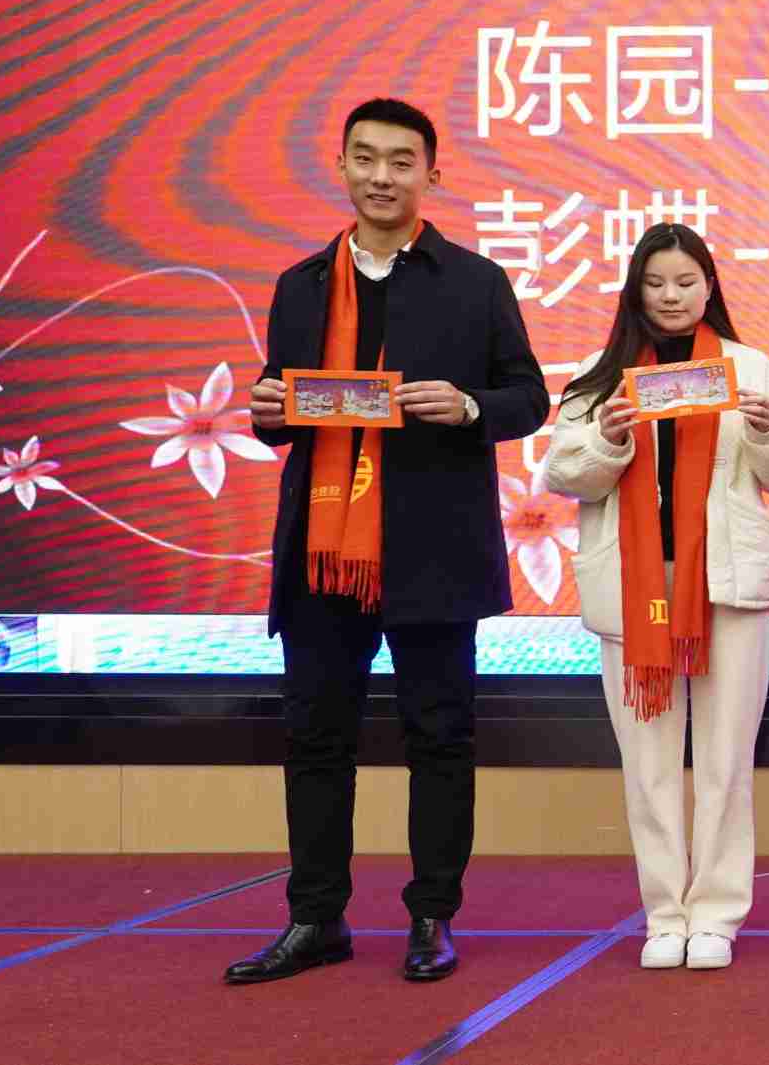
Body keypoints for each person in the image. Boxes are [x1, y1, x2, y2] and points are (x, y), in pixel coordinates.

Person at [225, 99, 549, 986]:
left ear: (431, 174)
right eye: (364, 157)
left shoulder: (475, 282)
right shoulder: (301, 283)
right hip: (322, 551)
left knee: (439, 736)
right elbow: (282, 408)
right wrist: (264, 410)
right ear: (339, 165)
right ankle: (316, 916)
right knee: (315, 737)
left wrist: (471, 405)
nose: (381, 176)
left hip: (432, 547)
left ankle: (432, 915)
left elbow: (530, 396)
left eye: (401, 161)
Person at [542, 225, 769, 972]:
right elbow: (562, 476)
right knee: (649, 766)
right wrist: (605, 438)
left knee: (726, 762)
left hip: (724, 587)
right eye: (656, 282)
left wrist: (766, 434)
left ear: (709, 287)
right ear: (636, 288)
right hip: (634, 589)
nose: (670, 295)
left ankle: (716, 915)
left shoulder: (749, 367)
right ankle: (664, 914)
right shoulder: (600, 376)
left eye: (686, 281)